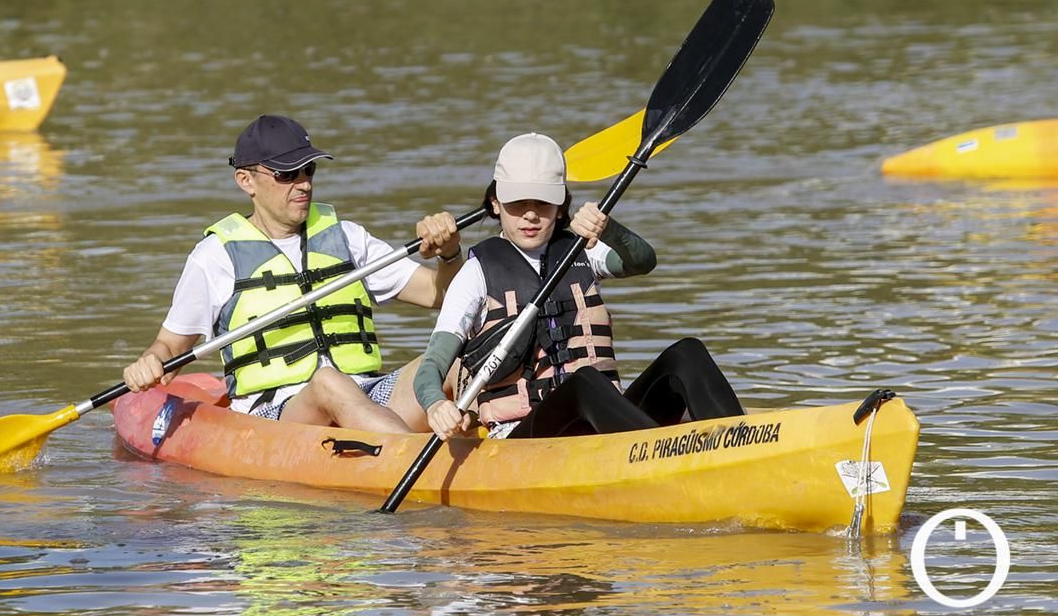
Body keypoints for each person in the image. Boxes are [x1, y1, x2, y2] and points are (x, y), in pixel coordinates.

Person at [123, 114, 462, 433]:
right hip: (276, 414)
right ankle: (411, 458)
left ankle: (495, 444)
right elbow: (168, 347)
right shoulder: (215, 257)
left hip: (370, 394)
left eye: (308, 170)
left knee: (460, 357)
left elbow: (443, 296)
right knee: (329, 382)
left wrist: (449, 253)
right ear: (246, 180)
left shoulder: (347, 238)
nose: (303, 185)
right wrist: (149, 363)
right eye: (287, 174)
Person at [413, 132, 744, 440]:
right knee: (584, 382)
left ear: (560, 207)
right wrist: (435, 404)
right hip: (525, 436)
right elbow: (432, 367)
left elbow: (642, 261)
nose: (529, 215)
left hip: (604, 425)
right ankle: (657, 459)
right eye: (517, 203)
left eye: (542, 202)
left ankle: (741, 447)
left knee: (686, 354)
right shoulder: (475, 274)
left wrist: (609, 228)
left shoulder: (582, 250)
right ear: (495, 203)